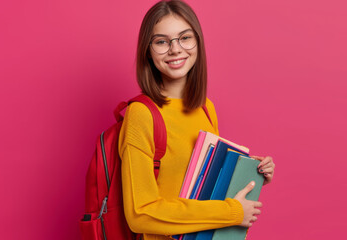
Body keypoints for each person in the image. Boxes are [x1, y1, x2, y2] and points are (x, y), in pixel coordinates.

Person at [118, 0, 275, 239]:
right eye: (162, 41)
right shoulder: (141, 114)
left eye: (185, 38)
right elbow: (141, 213)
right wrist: (232, 212)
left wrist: (250, 173)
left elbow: (204, 188)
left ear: (198, 42)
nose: (175, 49)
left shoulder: (206, 108)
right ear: (147, 52)